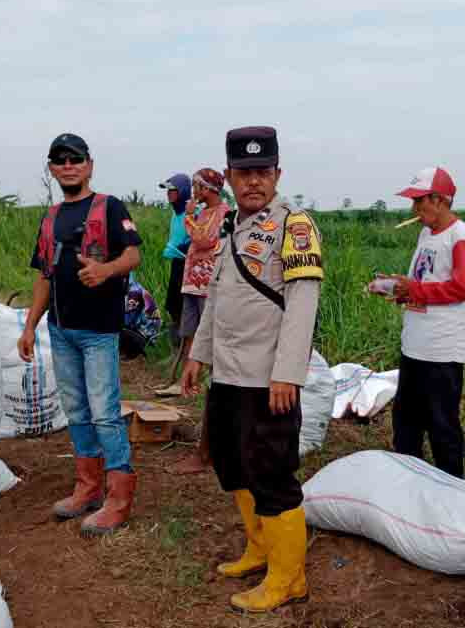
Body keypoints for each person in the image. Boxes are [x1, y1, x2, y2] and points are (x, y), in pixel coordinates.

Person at [180, 126, 323, 613]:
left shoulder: (295, 225)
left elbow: (303, 304)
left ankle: (289, 578)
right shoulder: (229, 227)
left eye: (263, 172)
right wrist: (200, 354)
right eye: (244, 173)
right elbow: (218, 297)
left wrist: (288, 372)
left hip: (269, 377)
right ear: (229, 177)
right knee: (231, 462)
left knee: (272, 472)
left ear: (278, 174)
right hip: (230, 373)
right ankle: (260, 550)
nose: (254, 182)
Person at [17, 133, 143, 536]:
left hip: (99, 331)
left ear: (89, 165)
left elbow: (133, 254)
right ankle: (88, 488)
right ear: (52, 169)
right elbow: (43, 275)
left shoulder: (109, 207)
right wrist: (29, 325)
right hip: (61, 329)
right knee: (75, 411)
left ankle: (119, 498)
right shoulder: (51, 216)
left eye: (76, 159)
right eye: (60, 160)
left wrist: (105, 270)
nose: (68, 166)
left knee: (105, 412)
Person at [383, 166, 465, 478]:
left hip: (442, 348)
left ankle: (452, 488)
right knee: (406, 421)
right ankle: (410, 483)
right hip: (416, 344)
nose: (414, 209)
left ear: (439, 200)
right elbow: (424, 281)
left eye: (419, 201)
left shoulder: (461, 237)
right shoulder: (427, 235)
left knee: (441, 424)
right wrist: (401, 289)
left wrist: (415, 289)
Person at [165, 167, 230, 475]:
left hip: (208, 287)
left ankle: (206, 377)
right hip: (192, 282)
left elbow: (203, 241)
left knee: (207, 335)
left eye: (198, 186)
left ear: (210, 188)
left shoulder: (221, 213)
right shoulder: (204, 212)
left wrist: (189, 217)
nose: (194, 191)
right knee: (190, 332)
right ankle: (188, 377)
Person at [158, 172, 192, 344]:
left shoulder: (193, 211)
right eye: (167, 190)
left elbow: (201, 235)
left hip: (190, 264)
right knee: (172, 305)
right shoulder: (175, 213)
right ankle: (176, 346)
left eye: (173, 190)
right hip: (177, 263)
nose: (169, 194)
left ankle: (187, 347)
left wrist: (187, 245)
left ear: (183, 191)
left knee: (186, 307)